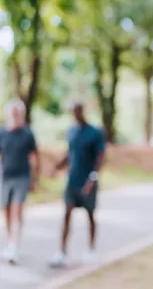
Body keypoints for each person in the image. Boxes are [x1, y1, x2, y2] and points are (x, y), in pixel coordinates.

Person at [49, 102, 105, 268]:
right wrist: (56, 167)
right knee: (66, 213)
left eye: (77, 111)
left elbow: (100, 156)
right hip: (72, 180)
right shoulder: (71, 131)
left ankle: (91, 249)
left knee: (90, 215)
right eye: (72, 112)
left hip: (88, 181)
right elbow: (69, 153)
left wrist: (92, 178)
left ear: (82, 111)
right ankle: (62, 251)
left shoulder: (95, 132)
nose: (75, 114)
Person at [0, 98, 40, 264]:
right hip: (5, 177)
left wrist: (35, 178)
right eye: (13, 113)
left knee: (17, 210)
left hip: (22, 177)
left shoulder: (27, 134)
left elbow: (35, 156)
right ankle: (10, 241)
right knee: (7, 211)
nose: (15, 116)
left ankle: (15, 245)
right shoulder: (2, 133)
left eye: (18, 113)